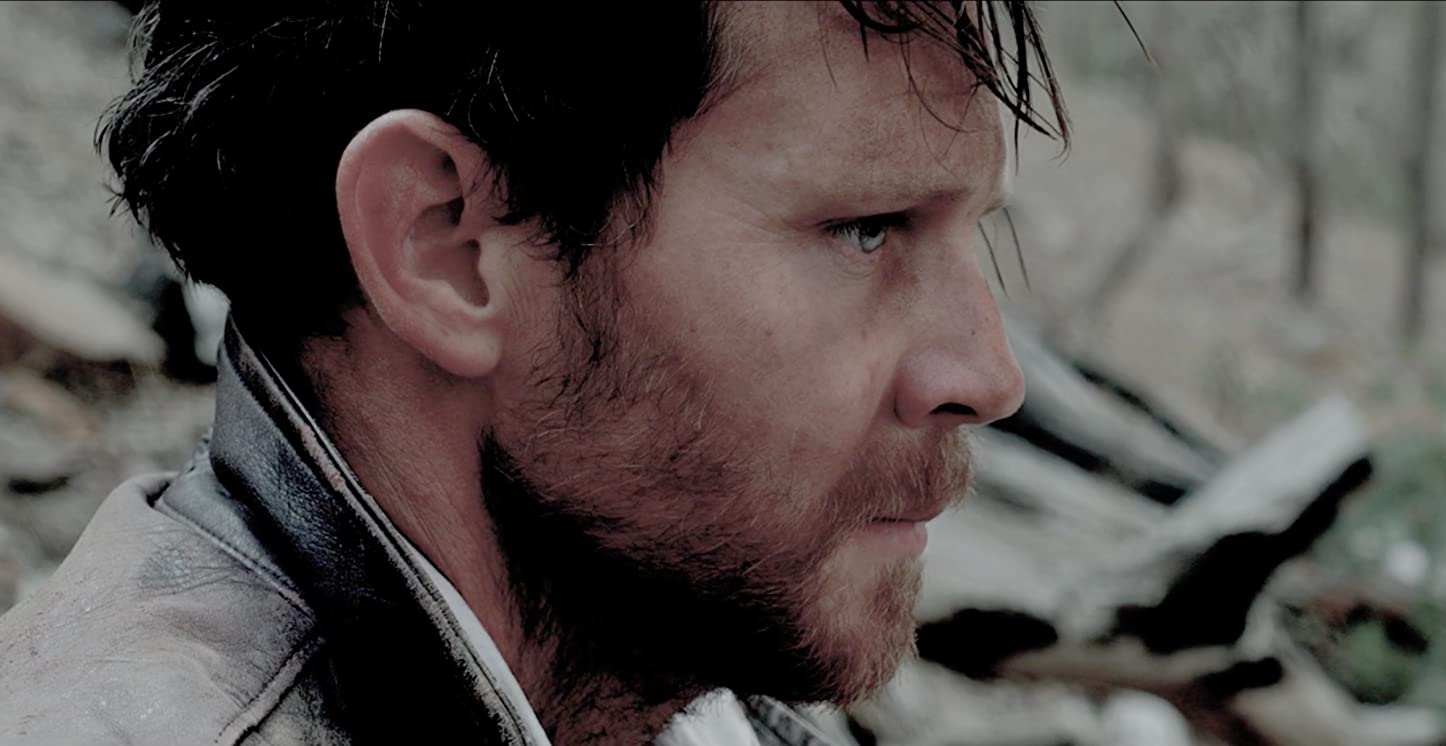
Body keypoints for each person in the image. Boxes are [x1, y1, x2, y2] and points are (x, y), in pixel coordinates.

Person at [0, 2, 1067, 744]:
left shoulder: (676, 686)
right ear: (446, 247)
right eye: (867, 228)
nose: (988, 375)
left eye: (974, 229)